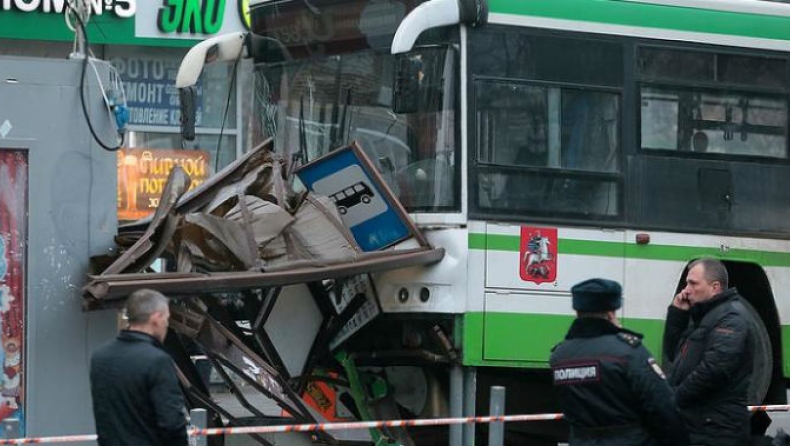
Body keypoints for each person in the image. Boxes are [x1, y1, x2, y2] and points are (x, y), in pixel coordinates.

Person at [550, 278, 689, 446]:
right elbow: (663, 407)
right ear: (611, 312)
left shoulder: (560, 355)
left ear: (578, 310)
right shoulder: (628, 351)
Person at [663, 257, 754, 446]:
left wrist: (674, 399)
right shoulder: (704, 316)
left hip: (716, 429)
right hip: (701, 425)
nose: (686, 290)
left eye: (693, 283)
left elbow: (715, 368)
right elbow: (675, 356)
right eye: (687, 283)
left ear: (715, 287)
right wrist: (677, 315)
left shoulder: (731, 317)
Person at [90, 289, 188, 446]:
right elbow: (172, 423)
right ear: (156, 318)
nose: (166, 325)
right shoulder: (157, 361)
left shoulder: (100, 358)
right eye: (166, 319)